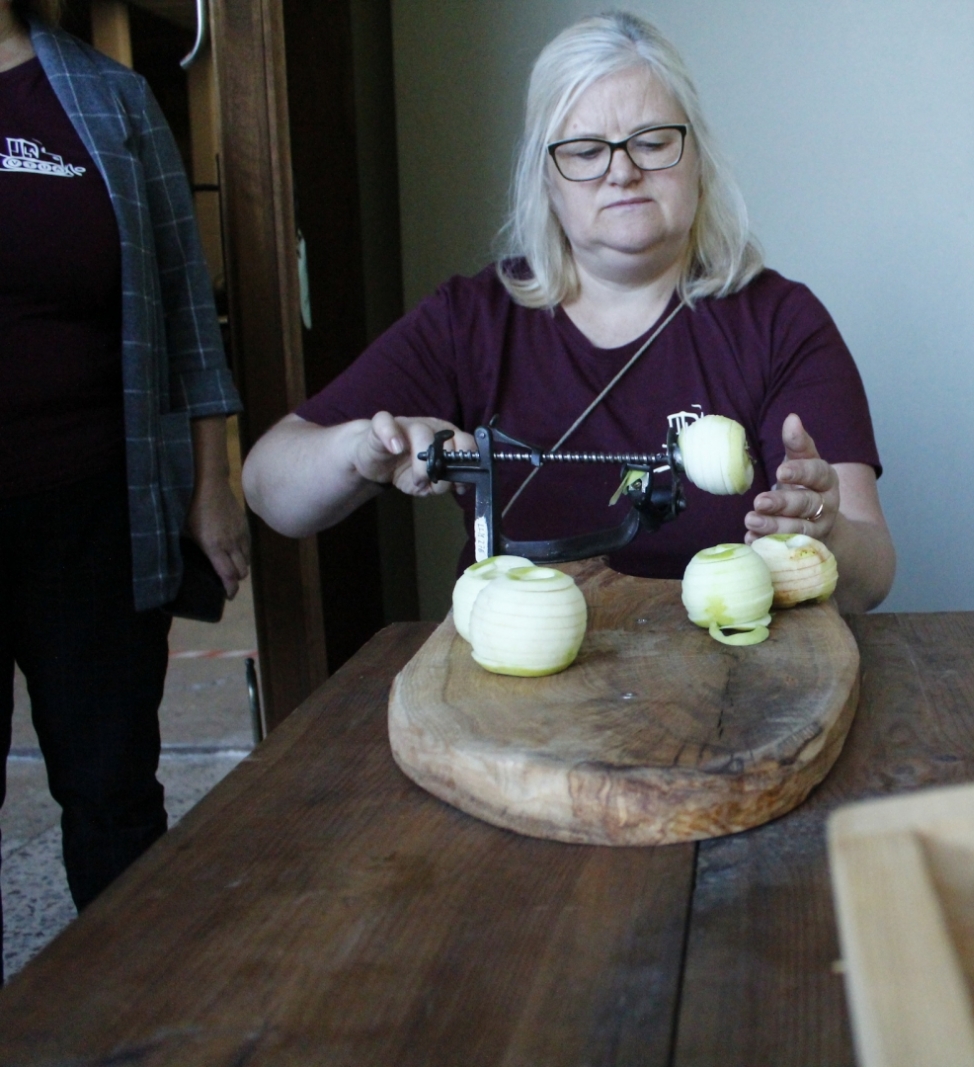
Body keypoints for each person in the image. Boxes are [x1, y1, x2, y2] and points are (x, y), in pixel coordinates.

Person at [244, 12, 895, 613]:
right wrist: (357, 453)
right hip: (516, 692)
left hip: (730, 685)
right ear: (545, 181)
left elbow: (875, 574)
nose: (622, 172)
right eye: (585, 150)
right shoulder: (470, 321)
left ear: (696, 160)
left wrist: (827, 531)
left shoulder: (781, 322)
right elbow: (270, 487)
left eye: (652, 141)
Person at [0, 0, 249, 913]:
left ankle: (128, 1032)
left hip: (96, 509)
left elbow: (187, 308)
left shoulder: (113, 99)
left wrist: (211, 483)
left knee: (112, 796)